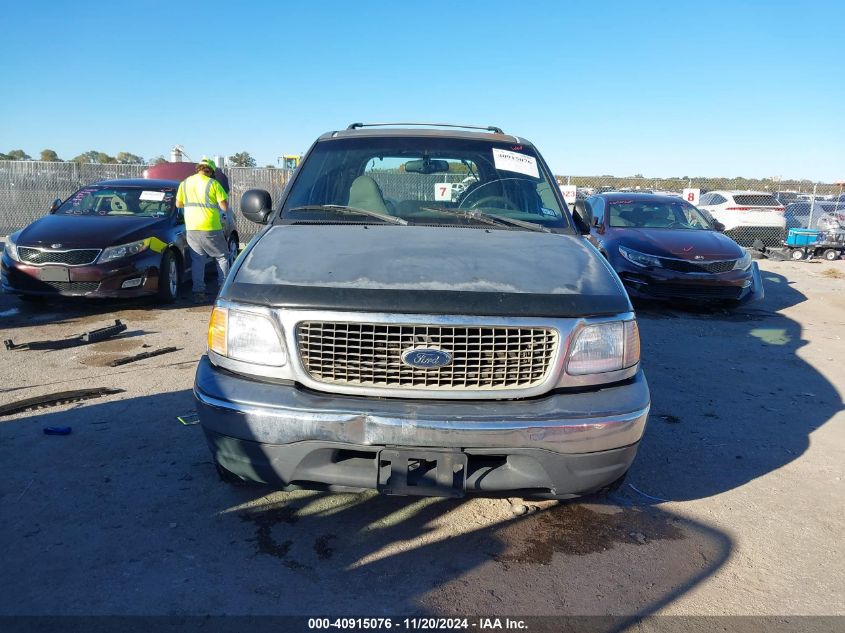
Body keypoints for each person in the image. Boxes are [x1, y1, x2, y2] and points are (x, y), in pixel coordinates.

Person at [175, 158, 230, 302]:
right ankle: (224, 290)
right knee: (222, 257)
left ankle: (198, 292)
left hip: (192, 227)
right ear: (211, 171)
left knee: (197, 260)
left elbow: (178, 203)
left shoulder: (185, 183)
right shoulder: (213, 184)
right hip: (210, 227)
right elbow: (224, 207)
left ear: (198, 168)